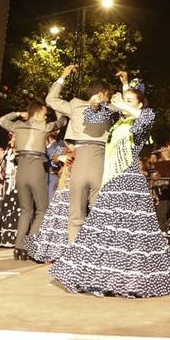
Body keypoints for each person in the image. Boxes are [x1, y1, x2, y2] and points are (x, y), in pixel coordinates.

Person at [50, 79, 170, 297]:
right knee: (105, 232)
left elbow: (146, 117)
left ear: (139, 104)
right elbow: (92, 116)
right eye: (124, 100)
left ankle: (130, 278)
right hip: (110, 182)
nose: (124, 103)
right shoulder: (118, 122)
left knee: (132, 234)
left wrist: (123, 102)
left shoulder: (141, 121)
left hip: (129, 183)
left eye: (131, 101)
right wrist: (93, 104)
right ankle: (103, 276)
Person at [47, 65, 118, 242]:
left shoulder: (74, 105)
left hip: (79, 161)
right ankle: (98, 253)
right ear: (102, 94)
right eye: (107, 94)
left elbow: (51, 99)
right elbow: (128, 111)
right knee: (100, 213)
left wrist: (63, 76)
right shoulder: (111, 109)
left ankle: (74, 254)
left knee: (76, 213)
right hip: (100, 162)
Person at [0, 103, 51, 260]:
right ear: (36, 114)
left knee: (26, 210)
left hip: (21, 170)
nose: (46, 116)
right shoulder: (44, 126)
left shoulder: (18, 126)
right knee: (42, 210)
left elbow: (2, 120)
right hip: (36, 168)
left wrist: (17, 112)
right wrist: (61, 111)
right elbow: (61, 122)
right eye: (44, 113)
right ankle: (29, 244)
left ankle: (18, 246)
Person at [27, 146, 74, 263]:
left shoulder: (82, 150)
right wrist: (60, 158)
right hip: (62, 186)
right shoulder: (63, 147)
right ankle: (49, 252)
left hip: (73, 188)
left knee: (66, 222)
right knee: (54, 220)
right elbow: (53, 161)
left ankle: (63, 254)